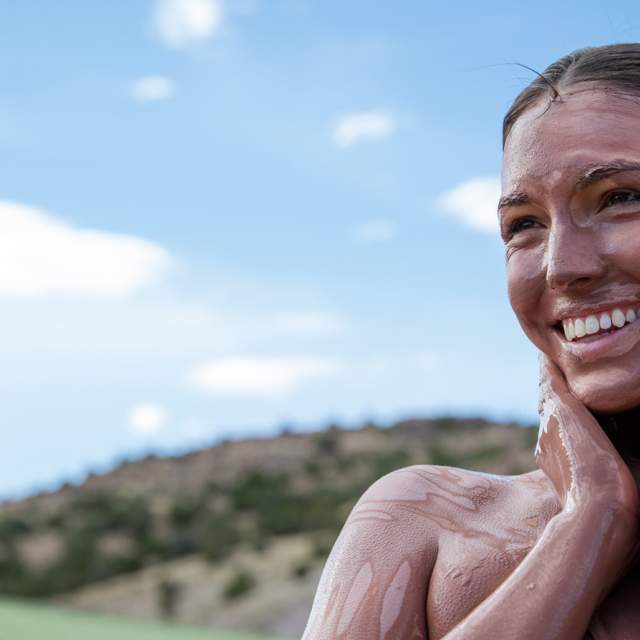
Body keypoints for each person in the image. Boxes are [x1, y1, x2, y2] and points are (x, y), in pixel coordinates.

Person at [301, 43, 640, 640]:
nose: (562, 267)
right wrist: (590, 521)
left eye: (620, 198)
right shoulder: (422, 521)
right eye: (525, 225)